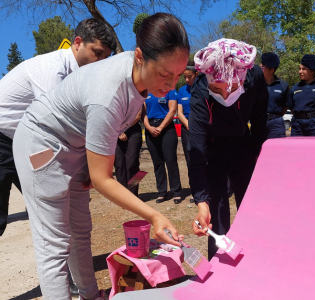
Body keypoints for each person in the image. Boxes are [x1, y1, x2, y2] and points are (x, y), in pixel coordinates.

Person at [12, 12, 189, 300]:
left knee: (81, 230)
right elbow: (103, 178)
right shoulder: (108, 93)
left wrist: (89, 165)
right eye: (165, 75)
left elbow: (98, 163)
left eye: (179, 74)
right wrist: (155, 215)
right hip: (40, 144)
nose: (172, 85)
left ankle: (91, 295)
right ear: (141, 57)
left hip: (74, 146)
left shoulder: (139, 70)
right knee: (54, 244)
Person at [0, 18, 116, 238]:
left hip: (24, 141)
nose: (101, 61)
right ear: (78, 42)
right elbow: (56, 126)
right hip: (3, 139)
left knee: (55, 204)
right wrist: (90, 166)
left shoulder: (82, 75)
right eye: (97, 53)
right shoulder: (51, 69)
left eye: (106, 57)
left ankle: (64, 267)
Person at [189, 38, 269, 258]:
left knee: (250, 204)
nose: (225, 96)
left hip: (243, 143)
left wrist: (257, 154)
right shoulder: (199, 90)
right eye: (216, 89)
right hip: (214, 148)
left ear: (242, 79)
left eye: (231, 88)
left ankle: (256, 252)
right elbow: (196, 149)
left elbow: (260, 118)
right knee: (216, 207)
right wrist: (201, 200)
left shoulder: (255, 77)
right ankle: (219, 259)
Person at [143, 89, 182, 204]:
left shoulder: (170, 91)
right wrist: (149, 127)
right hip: (150, 128)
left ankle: (176, 192)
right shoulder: (146, 92)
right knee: (157, 162)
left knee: (170, 160)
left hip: (167, 128)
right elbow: (143, 113)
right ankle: (162, 192)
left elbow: (172, 110)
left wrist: (160, 127)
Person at [177, 61, 198, 203]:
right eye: (185, 77)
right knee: (190, 161)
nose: (187, 80)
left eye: (189, 76)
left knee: (203, 159)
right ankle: (194, 190)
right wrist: (188, 124)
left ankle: (206, 189)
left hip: (201, 128)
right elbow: (179, 112)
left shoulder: (203, 88)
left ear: (196, 74)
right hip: (187, 127)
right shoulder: (182, 91)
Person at [114, 107, 143, 196]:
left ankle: (133, 194)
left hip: (134, 131)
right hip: (116, 131)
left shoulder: (137, 95)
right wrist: (119, 131)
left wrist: (123, 128)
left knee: (132, 162)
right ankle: (123, 195)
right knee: (119, 164)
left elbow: (138, 115)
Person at [260, 52, 289, 139]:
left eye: (263, 67)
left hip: (276, 124)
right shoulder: (255, 84)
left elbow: (285, 106)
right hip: (259, 122)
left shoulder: (283, 85)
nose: (260, 68)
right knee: (257, 150)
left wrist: (275, 116)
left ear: (272, 70)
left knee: (277, 150)